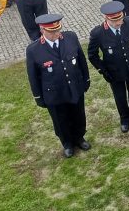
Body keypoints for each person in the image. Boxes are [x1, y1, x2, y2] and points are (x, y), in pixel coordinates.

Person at [25, 13, 90, 159]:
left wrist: (86, 80)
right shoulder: (34, 50)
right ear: (42, 30)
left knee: (78, 115)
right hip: (54, 93)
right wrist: (38, 97)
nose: (56, 33)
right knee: (60, 120)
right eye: (52, 31)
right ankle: (67, 143)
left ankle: (79, 138)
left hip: (74, 87)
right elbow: (33, 77)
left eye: (58, 30)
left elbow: (81, 61)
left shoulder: (71, 38)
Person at [88, 1, 129, 133]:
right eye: (115, 21)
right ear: (106, 18)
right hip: (114, 71)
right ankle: (125, 119)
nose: (119, 22)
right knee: (120, 96)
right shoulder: (98, 33)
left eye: (120, 19)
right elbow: (92, 55)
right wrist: (103, 70)